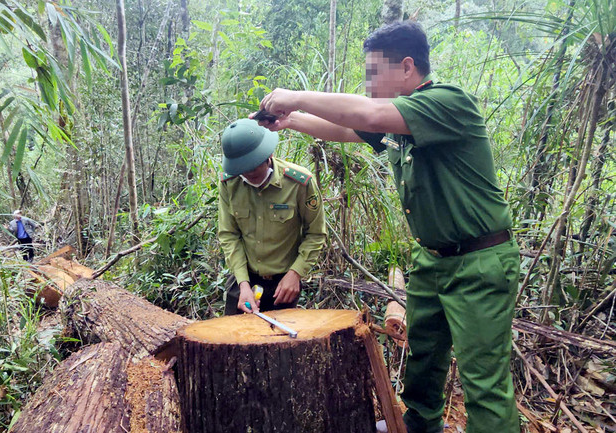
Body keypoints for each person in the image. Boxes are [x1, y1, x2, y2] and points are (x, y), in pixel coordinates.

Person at [254, 21, 520, 433]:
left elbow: (366, 112)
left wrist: (292, 96)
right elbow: (348, 129)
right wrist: (291, 121)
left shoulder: (448, 102)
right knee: (424, 363)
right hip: (431, 261)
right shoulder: (400, 122)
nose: (368, 82)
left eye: (374, 73)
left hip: (479, 263)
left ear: (407, 67)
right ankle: (419, 428)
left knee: (483, 383)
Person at [218, 118, 327, 315]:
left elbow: (316, 234)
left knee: (280, 342)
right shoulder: (229, 183)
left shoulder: (299, 183)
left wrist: (295, 274)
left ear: (268, 155)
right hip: (244, 279)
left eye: (253, 168)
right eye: (242, 170)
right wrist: (243, 284)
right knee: (232, 339)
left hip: (283, 285)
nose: (248, 174)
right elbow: (229, 235)